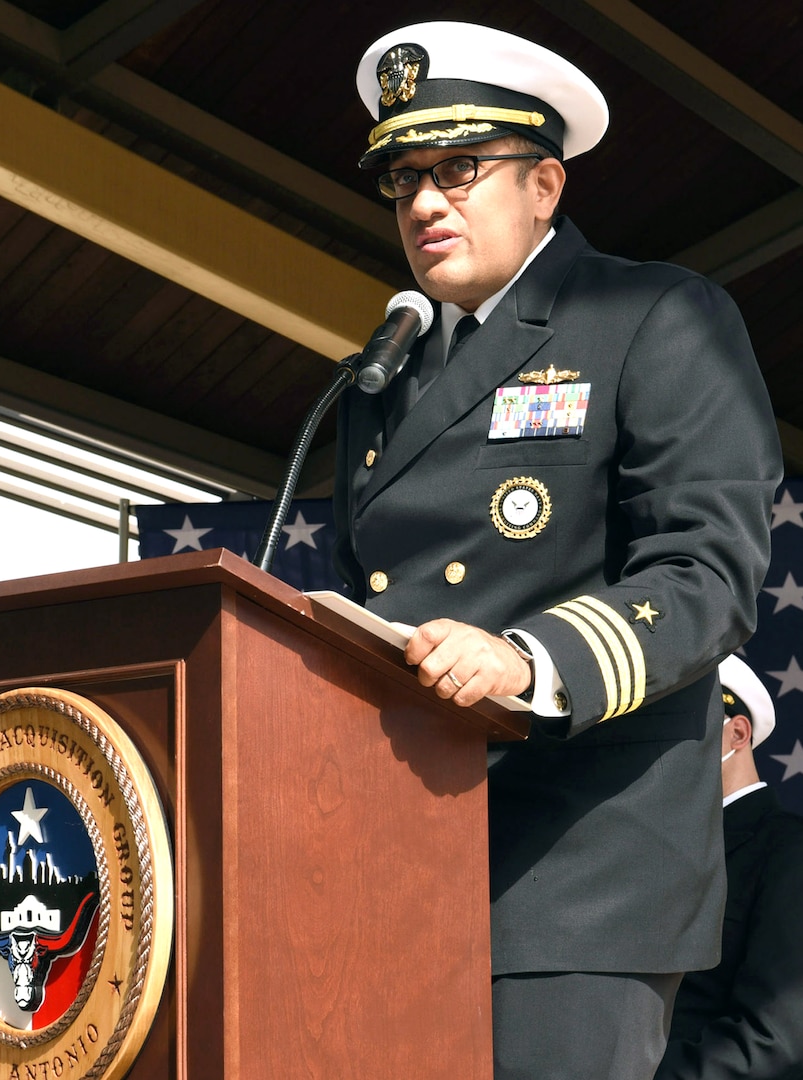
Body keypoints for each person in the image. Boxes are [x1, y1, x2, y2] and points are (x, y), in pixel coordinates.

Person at [332, 20, 784, 1080]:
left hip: (584, 870)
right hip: (402, 851)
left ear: (545, 184)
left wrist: (529, 661)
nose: (426, 204)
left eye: (457, 169)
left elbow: (707, 573)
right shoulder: (380, 377)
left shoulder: (653, 315)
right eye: (403, 182)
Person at [655, 655, 803, 1078]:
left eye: (674, 734)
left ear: (736, 733)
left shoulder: (788, 851)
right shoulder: (659, 850)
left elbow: (777, 1034)